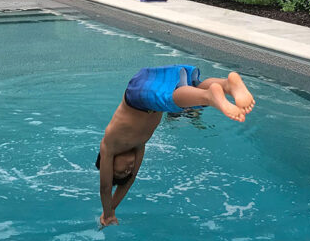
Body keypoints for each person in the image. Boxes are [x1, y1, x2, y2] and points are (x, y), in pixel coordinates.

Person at [96, 64, 254, 227]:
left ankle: (209, 97)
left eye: (121, 171)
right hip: (152, 87)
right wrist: (113, 209)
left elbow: (106, 187)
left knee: (170, 99)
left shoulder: (109, 146)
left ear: (107, 163)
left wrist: (107, 214)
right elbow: (131, 180)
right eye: (127, 171)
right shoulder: (139, 146)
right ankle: (228, 85)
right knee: (193, 89)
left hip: (138, 94)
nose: (128, 168)